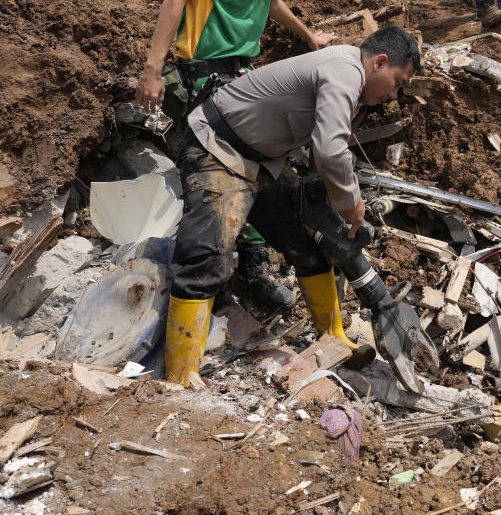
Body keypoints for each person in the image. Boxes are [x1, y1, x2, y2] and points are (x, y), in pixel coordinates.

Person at [163, 27, 435, 391]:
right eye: (397, 82)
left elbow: (321, 156)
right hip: (218, 148)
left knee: (307, 246)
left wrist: (326, 209)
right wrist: (351, 204)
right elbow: (330, 150)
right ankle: (179, 378)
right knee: (206, 258)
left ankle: (336, 341)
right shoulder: (345, 71)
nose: (394, 95)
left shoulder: (353, 86)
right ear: (380, 62)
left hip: (262, 160)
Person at [135, 0, 335, 311]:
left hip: (239, 77)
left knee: (259, 168)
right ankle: (216, 272)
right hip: (203, 74)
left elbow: (272, 2)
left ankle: (245, 267)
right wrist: (152, 68)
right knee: (221, 175)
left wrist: (309, 36)